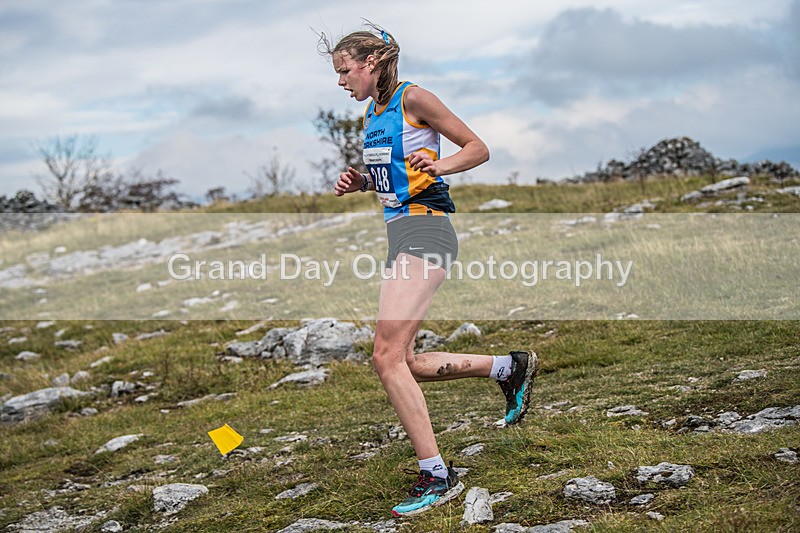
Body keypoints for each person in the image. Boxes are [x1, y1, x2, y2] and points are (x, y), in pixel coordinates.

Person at [321, 23, 539, 517]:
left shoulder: (413, 97)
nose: (340, 82)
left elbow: (477, 148)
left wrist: (438, 167)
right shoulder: (374, 113)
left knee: (385, 357)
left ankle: (437, 475)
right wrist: (362, 183)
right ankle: (509, 368)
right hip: (401, 235)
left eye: (344, 70)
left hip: (428, 232)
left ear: (370, 62)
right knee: (407, 361)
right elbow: (396, 177)